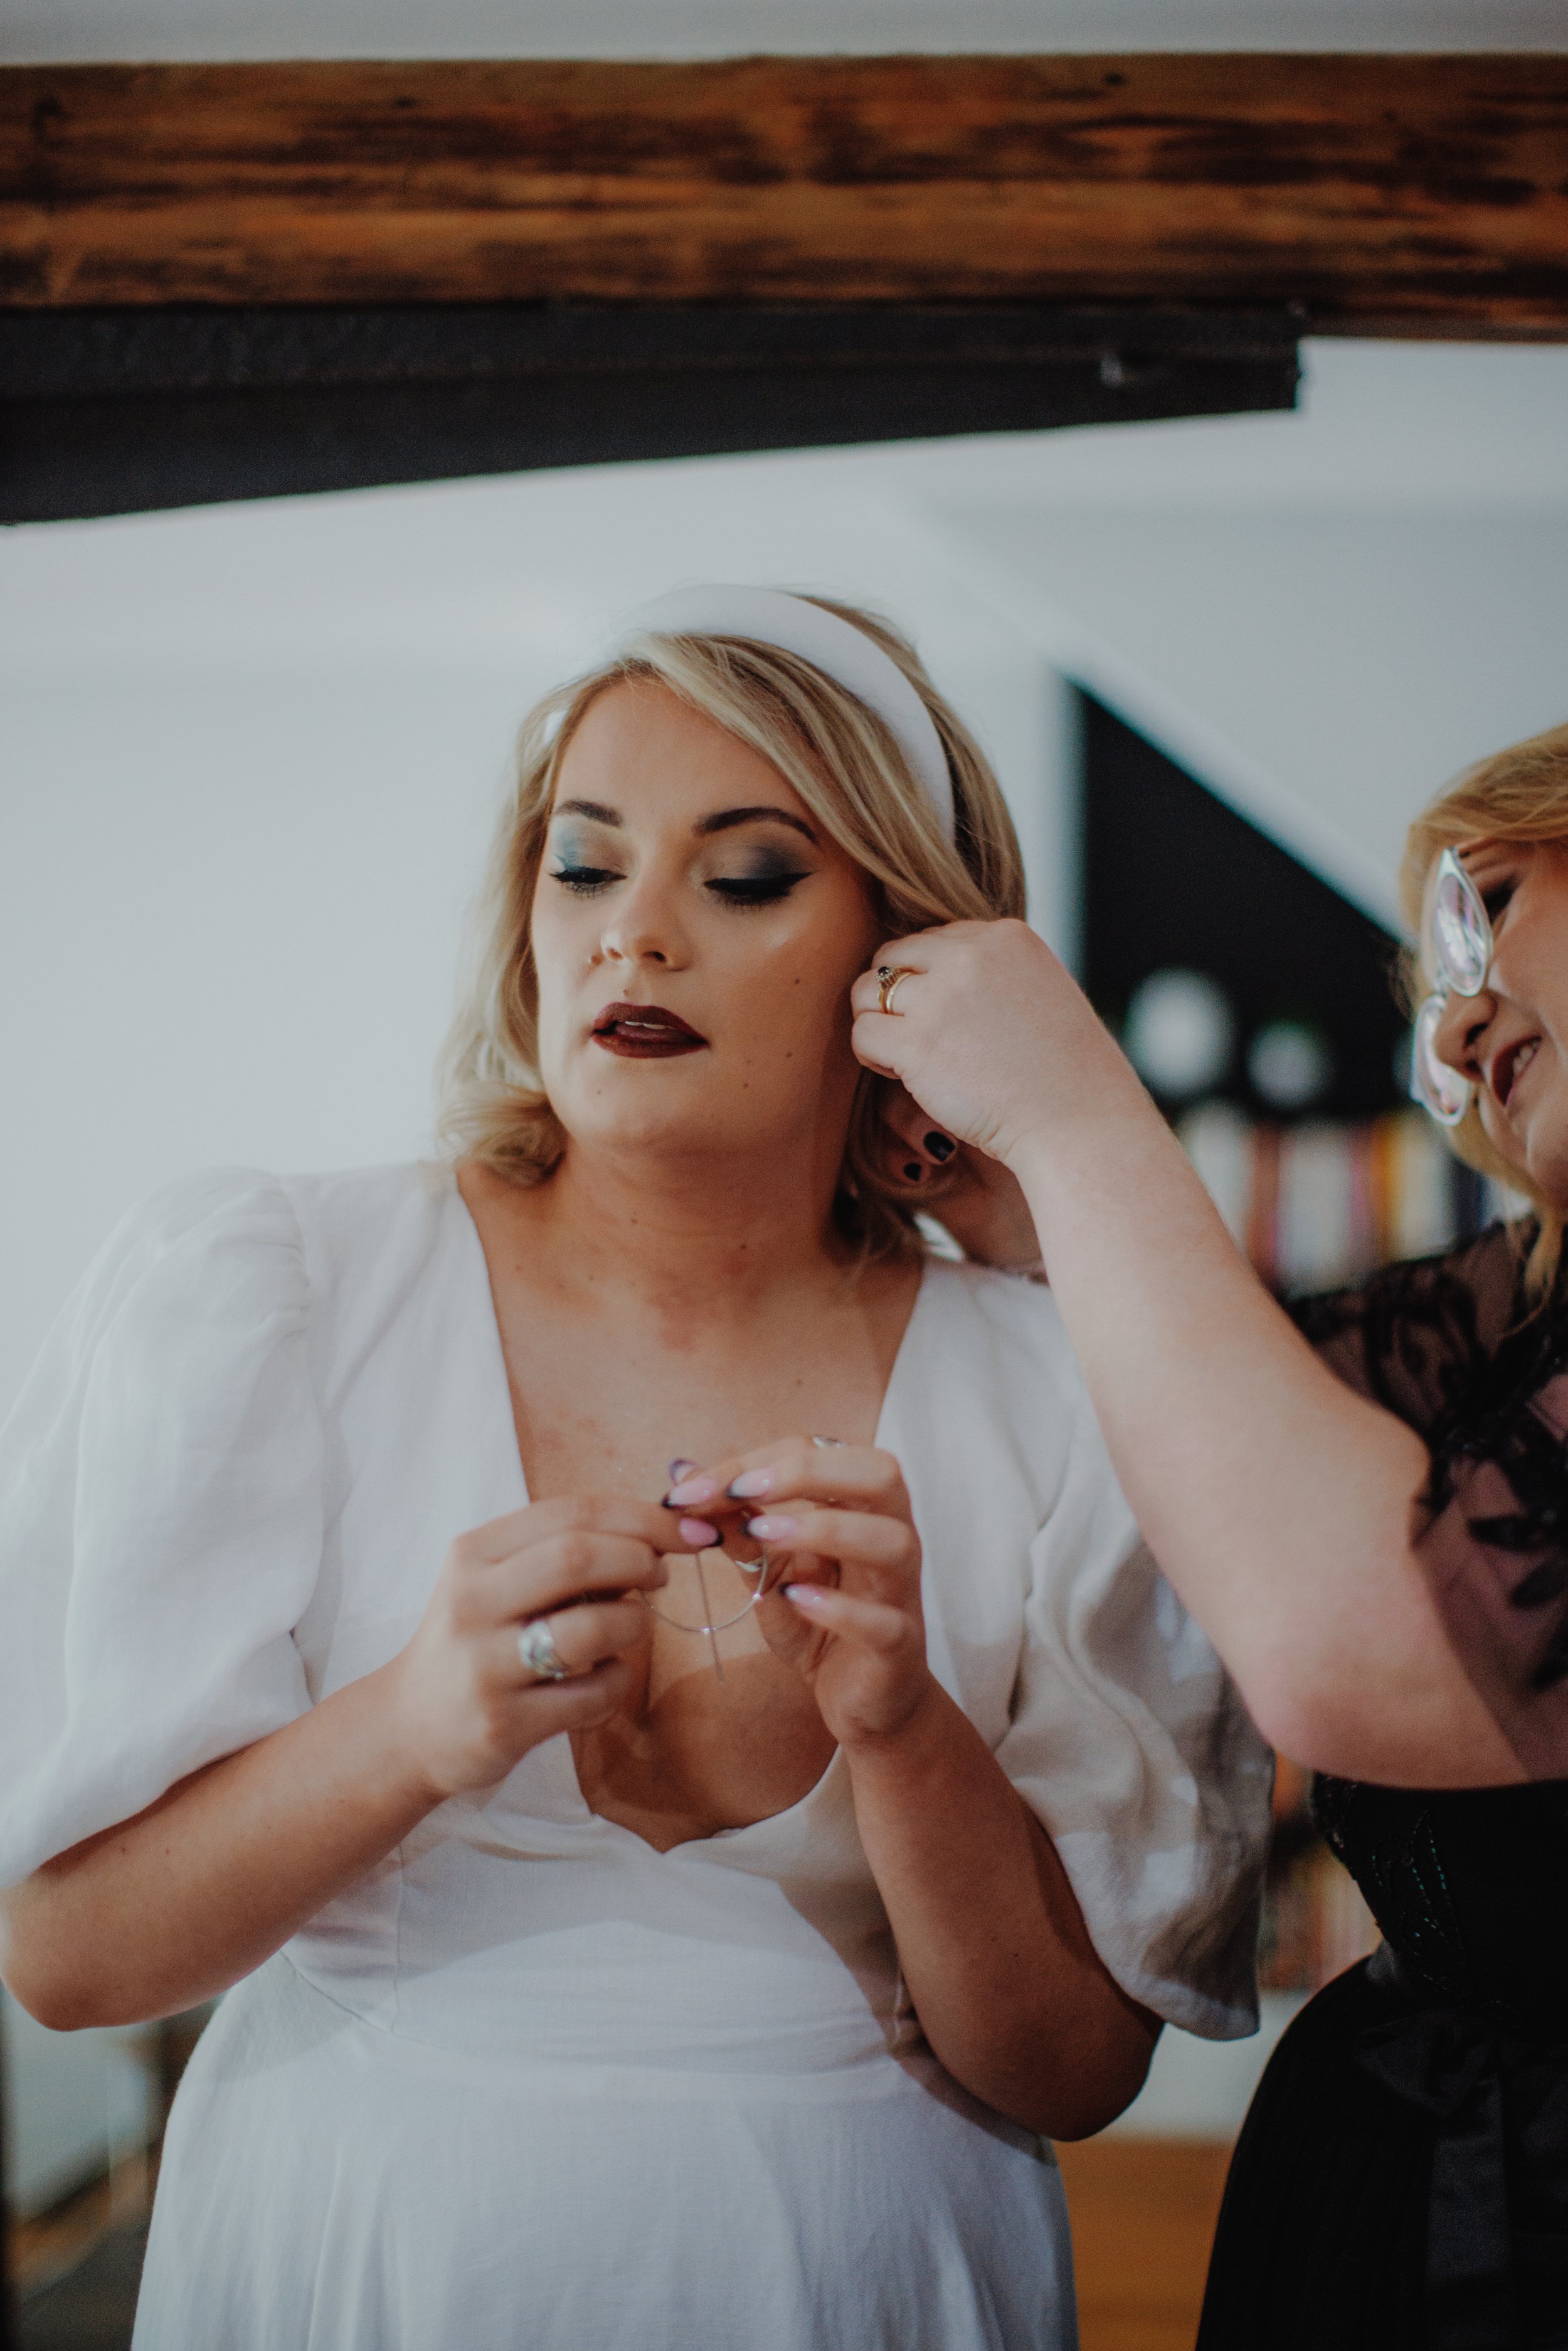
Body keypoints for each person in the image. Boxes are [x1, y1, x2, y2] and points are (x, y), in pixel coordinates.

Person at [0, 586, 1271, 2351]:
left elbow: (1069, 2073)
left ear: (900, 957)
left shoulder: (1054, 1381)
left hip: (863, 2286)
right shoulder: (274, 1292)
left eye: (743, 876)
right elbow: (68, 1956)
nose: (636, 934)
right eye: (584, 867)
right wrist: (416, 1722)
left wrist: (902, 1729)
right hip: (351, 2271)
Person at [854, 718, 1568, 2348]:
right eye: (1430, 979)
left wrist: (1078, 1112)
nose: (1449, 1028)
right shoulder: (1513, 1303)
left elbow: (1360, 1637)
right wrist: (1040, 1216)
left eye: (1486, 910)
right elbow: (1261, 1405)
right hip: (1409, 2188)